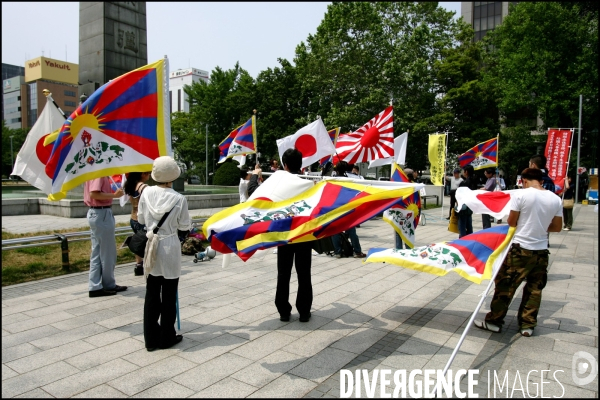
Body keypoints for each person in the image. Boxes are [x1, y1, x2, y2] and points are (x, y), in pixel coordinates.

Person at [474, 168, 562, 337]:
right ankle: (527, 326)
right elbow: (557, 227)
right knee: (534, 289)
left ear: (523, 181)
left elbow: (512, 222)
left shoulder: (521, 195)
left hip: (520, 249)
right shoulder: (555, 199)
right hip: (541, 251)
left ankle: (494, 321)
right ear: (541, 181)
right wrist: (541, 227)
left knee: (506, 286)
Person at [248, 149, 315, 322]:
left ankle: (284, 311)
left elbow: (254, 193)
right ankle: (304, 311)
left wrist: (256, 174)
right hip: (303, 234)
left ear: (285, 165)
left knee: (283, 274)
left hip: (284, 234)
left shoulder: (279, 182)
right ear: (300, 164)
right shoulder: (309, 184)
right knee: (304, 274)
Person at [138, 156, 191, 351]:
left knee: (152, 292)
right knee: (169, 293)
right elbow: (185, 225)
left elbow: (142, 219)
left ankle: (150, 339)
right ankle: (166, 335)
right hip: (169, 244)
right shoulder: (178, 198)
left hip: (151, 244)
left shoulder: (146, 193)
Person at [84, 176, 127, 297]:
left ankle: (96, 285)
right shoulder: (99, 173)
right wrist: (114, 195)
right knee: (107, 252)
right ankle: (106, 284)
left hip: (98, 213)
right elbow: (94, 194)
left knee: (98, 251)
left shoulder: (93, 172)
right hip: (101, 212)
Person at [124, 171, 151, 276]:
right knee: (148, 243)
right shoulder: (144, 187)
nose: (149, 175)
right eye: (148, 173)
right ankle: (149, 265)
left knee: (137, 240)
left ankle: (139, 265)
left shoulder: (130, 184)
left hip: (133, 217)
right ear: (142, 174)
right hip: (142, 218)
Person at [395, 168, 417, 249]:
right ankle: (409, 250)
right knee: (408, 232)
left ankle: (399, 250)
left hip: (400, 212)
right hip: (410, 214)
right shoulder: (414, 186)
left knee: (398, 232)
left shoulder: (401, 185)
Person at [457, 165, 478, 238]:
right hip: (470, 206)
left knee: (462, 225)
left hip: (463, 206)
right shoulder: (474, 182)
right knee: (469, 225)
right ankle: (470, 239)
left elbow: (459, 194)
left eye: (464, 171)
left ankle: (462, 240)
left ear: (466, 172)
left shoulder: (464, 183)